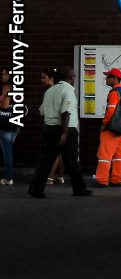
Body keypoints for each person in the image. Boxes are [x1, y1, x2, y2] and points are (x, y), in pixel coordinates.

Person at [27, 67, 91, 198]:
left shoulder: (50, 91)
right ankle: (79, 189)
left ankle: (35, 189)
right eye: (73, 76)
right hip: (65, 129)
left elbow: (42, 111)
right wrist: (65, 133)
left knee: (46, 160)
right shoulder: (67, 90)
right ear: (69, 77)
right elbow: (66, 112)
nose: (74, 78)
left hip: (49, 128)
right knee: (71, 161)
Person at [95, 68, 121, 188]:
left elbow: (111, 110)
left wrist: (105, 124)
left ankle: (102, 180)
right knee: (119, 156)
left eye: (108, 77)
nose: (106, 79)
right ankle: (117, 179)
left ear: (115, 79)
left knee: (104, 156)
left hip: (111, 129)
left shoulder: (114, 93)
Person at [0, 68, 17, 185]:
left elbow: (5, 105)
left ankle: (8, 178)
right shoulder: (16, 87)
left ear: (10, 75)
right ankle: (8, 176)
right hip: (13, 121)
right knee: (8, 149)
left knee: (7, 151)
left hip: (5, 122)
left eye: (5, 73)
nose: (2, 75)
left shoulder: (7, 87)